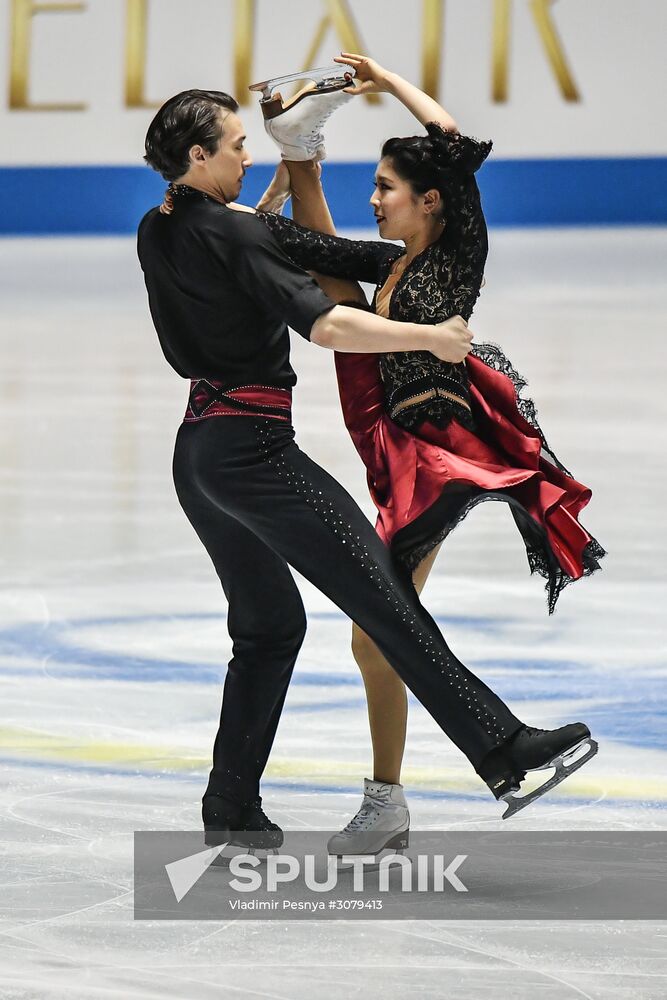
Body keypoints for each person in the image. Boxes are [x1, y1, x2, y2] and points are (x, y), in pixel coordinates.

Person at [138, 87, 597, 852]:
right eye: (234, 145)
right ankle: (500, 748)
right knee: (385, 602)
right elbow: (326, 323)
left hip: (198, 456)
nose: (244, 156)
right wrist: (429, 336)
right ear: (198, 156)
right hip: (255, 452)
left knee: (268, 628)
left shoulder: (159, 227)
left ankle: (231, 807)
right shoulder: (237, 234)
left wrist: (291, 179)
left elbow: (270, 240)